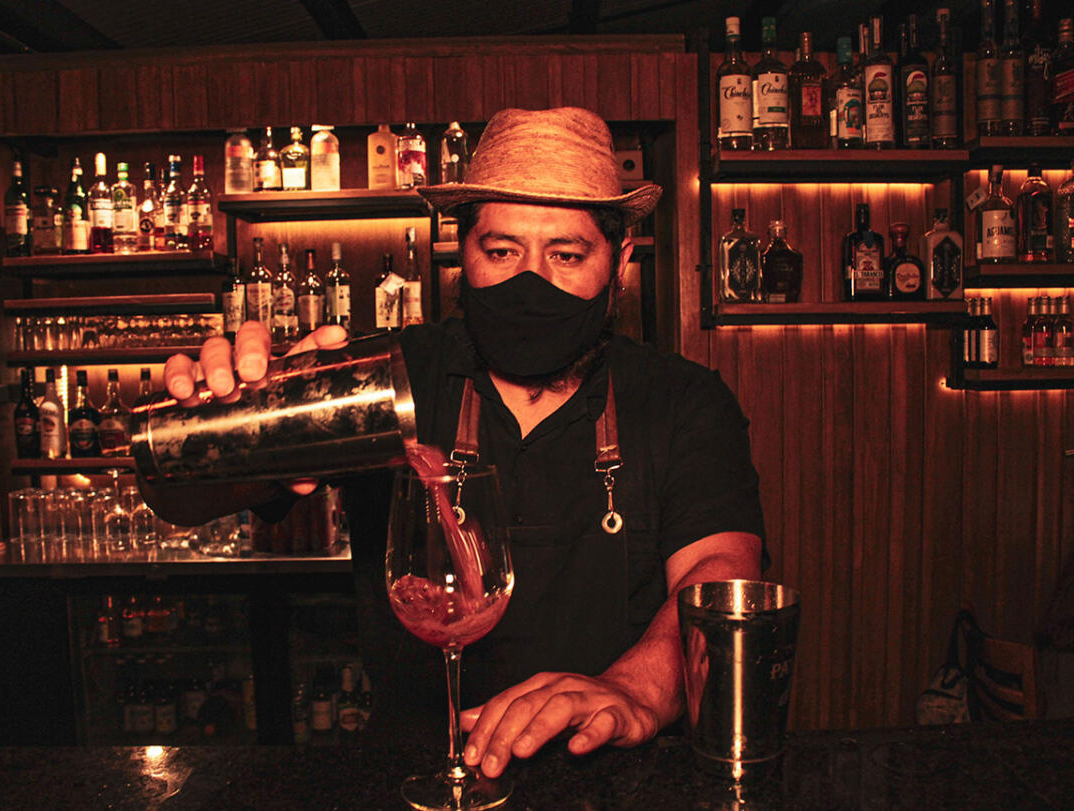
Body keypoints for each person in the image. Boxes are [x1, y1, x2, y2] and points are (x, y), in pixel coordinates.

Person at [145, 107, 765, 778]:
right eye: (501, 252)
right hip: (414, 776)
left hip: (618, 777)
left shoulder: (681, 401)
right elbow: (183, 498)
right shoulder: (389, 380)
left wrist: (635, 689)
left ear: (620, 264)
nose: (531, 281)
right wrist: (217, 418)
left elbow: (721, 576)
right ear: (460, 253)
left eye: (566, 255)